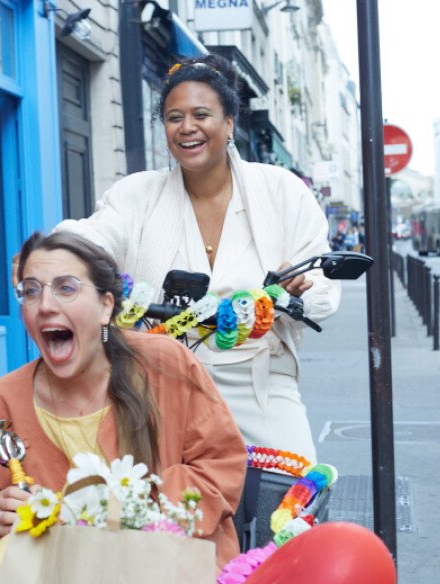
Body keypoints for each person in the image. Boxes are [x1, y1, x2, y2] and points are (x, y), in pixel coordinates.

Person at [53, 54, 341, 462]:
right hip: (156, 383)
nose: (187, 127)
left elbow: (323, 289)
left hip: (259, 384)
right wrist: (51, 253)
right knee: (146, 508)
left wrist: (296, 296)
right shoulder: (137, 195)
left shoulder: (282, 191)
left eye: (201, 114)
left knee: (293, 501)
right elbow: (96, 235)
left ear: (228, 123)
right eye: (174, 117)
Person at [0, 231, 247, 584]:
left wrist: (117, 510)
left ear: (105, 306)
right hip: (60, 575)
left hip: (166, 556)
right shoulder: (2, 400)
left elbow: (220, 466)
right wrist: (2, 517)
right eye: (31, 291)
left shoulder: (166, 364)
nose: (45, 304)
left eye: (66, 288)